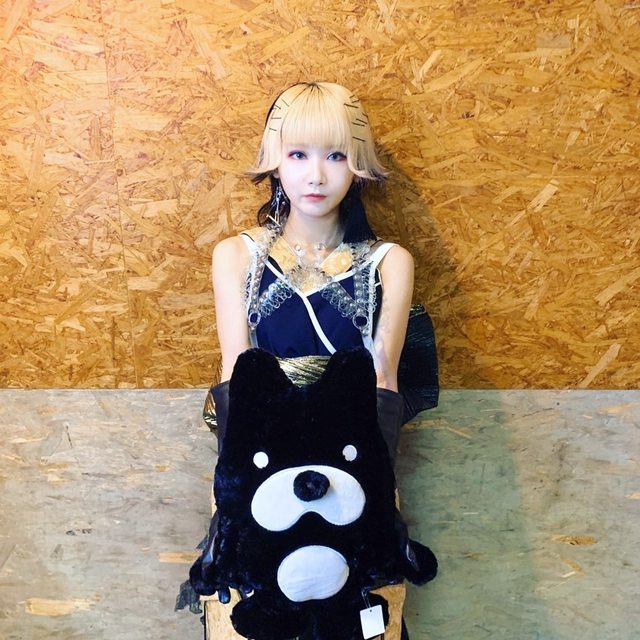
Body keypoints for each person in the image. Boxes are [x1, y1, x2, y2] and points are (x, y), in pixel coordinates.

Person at [182, 81, 438, 639]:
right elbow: (235, 374)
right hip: (259, 478)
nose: (316, 175)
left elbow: (385, 380)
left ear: (358, 165)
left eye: (336, 156)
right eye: (298, 154)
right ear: (275, 161)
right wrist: (235, 500)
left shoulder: (388, 263)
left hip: (354, 477)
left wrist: (375, 499)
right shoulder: (237, 256)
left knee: (358, 617)